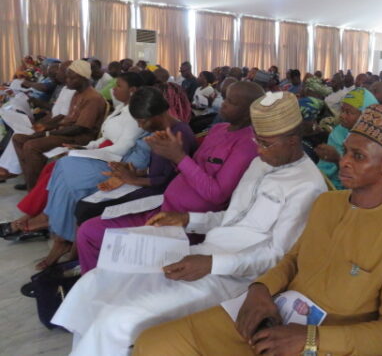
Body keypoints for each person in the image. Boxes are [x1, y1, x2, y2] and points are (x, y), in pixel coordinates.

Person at [133, 104, 382, 356]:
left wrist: (311, 338)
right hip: (274, 313)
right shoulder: (328, 203)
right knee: (153, 343)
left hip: (324, 341)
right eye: (346, 152)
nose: (345, 162)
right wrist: (260, 290)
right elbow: (292, 259)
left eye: (358, 157)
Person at [51, 91, 327, 356]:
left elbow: (277, 256)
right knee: (96, 281)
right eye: (258, 141)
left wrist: (212, 264)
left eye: (266, 144)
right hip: (201, 254)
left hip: (236, 280)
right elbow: (231, 218)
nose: (259, 149)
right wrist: (188, 220)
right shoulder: (260, 163)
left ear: (293, 141)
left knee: (121, 319)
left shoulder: (308, 186)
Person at [76, 81, 264, 273]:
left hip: (183, 223)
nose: (223, 103)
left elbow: (216, 194)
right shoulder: (218, 129)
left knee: (89, 233)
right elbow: (189, 169)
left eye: (231, 102)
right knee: (89, 225)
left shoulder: (247, 146)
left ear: (249, 111)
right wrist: (150, 166)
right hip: (162, 205)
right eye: (225, 98)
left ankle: (97, 282)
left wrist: (178, 157)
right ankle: (96, 277)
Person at [38, 85, 196, 269]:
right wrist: (133, 172)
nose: (140, 126)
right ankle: (74, 252)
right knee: (84, 202)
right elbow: (160, 170)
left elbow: (169, 181)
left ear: (157, 115)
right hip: (149, 184)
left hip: (159, 196)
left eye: (142, 121)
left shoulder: (178, 135)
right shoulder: (162, 129)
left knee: (87, 208)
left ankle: (78, 256)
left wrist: (134, 180)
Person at [1, 72, 145, 240]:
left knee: (60, 167)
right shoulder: (121, 108)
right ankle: (37, 213)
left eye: (119, 86)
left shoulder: (135, 115)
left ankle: (40, 218)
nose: (113, 89)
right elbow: (103, 137)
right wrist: (84, 148)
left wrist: (87, 151)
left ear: (132, 90)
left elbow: (122, 147)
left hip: (111, 159)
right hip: (99, 151)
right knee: (52, 167)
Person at [13, 60, 107, 190]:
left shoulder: (93, 98)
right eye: (67, 77)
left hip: (78, 138)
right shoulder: (77, 93)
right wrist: (47, 127)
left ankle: (34, 189)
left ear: (83, 78)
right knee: (18, 138)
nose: (67, 80)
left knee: (31, 146)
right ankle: (31, 179)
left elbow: (79, 128)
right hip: (66, 132)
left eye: (71, 78)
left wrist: (47, 133)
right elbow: (69, 119)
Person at [316, 88, 378, 189]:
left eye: (348, 112)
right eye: (342, 110)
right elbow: (323, 169)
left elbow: (364, 178)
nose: (342, 115)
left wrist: (337, 159)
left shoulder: (375, 140)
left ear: (365, 116)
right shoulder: (339, 131)